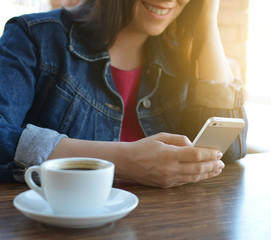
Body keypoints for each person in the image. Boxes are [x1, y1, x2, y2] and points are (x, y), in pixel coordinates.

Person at [0, 0, 247, 188]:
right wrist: (122, 161)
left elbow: (230, 149)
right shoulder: (33, 37)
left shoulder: (182, 59)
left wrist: (207, 20)